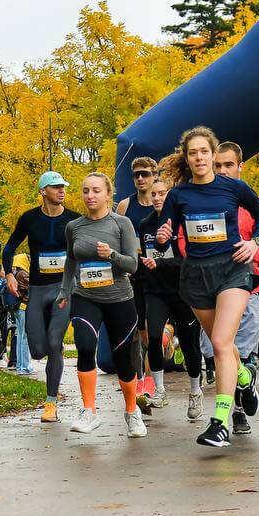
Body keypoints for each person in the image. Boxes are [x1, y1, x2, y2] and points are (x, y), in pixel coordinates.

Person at [155, 126, 259, 448]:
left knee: (220, 342)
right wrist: (163, 238)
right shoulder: (178, 195)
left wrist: (255, 242)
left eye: (204, 152)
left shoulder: (233, 187)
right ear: (187, 158)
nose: (199, 158)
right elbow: (165, 234)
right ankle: (244, 377)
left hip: (232, 270)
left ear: (212, 154)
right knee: (224, 347)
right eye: (193, 153)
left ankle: (219, 422)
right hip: (196, 276)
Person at [191, 141, 259, 436]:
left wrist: (253, 249)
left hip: (249, 290)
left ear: (241, 167)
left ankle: (233, 416)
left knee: (236, 351)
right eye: (217, 165)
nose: (222, 171)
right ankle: (243, 384)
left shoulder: (253, 202)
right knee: (221, 352)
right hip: (212, 291)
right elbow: (185, 239)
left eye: (229, 165)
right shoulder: (199, 200)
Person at [58, 173, 143, 436]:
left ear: (108, 194)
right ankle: (89, 411)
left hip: (119, 299)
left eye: (96, 190)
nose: (90, 195)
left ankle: (132, 411)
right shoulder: (74, 227)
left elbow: (133, 265)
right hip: (85, 296)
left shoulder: (122, 223)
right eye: (86, 191)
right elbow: (71, 260)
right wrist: (64, 291)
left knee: (123, 359)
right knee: (85, 346)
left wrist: (112, 255)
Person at [2, 171, 79, 421]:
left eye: (63, 186)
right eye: (56, 187)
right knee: (37, 350)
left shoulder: (73, 220)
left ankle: (51, 404)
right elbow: (9, 247)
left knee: (55, 343)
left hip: (63, 289)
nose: (61, 190)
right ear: (43, 191)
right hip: (37, 290)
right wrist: (9, 274)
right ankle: (51, 354)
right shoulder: (29, 218)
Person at [138, 175, 204, 417]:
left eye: (162, 193)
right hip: (155, 290)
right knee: (154, 337)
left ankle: (195, 391)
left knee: (189, 344)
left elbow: (189, 259)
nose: (157, 198)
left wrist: (161, 264)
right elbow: (145, 257)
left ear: (171, 195)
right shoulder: (145, 224)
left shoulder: (183, 221)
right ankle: (159, 391)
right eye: (153, 194)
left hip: (183, 291)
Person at [117, 156, 158, 388]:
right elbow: (118, 238)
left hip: (159, 271)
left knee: (154, 328)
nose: (141, 178)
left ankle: (149, 383)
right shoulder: (125, 205)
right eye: (136, 175)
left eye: (145, 174)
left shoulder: (162, 201)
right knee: (140, 329)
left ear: (155, 175)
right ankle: (142, 376)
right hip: (135, 272)